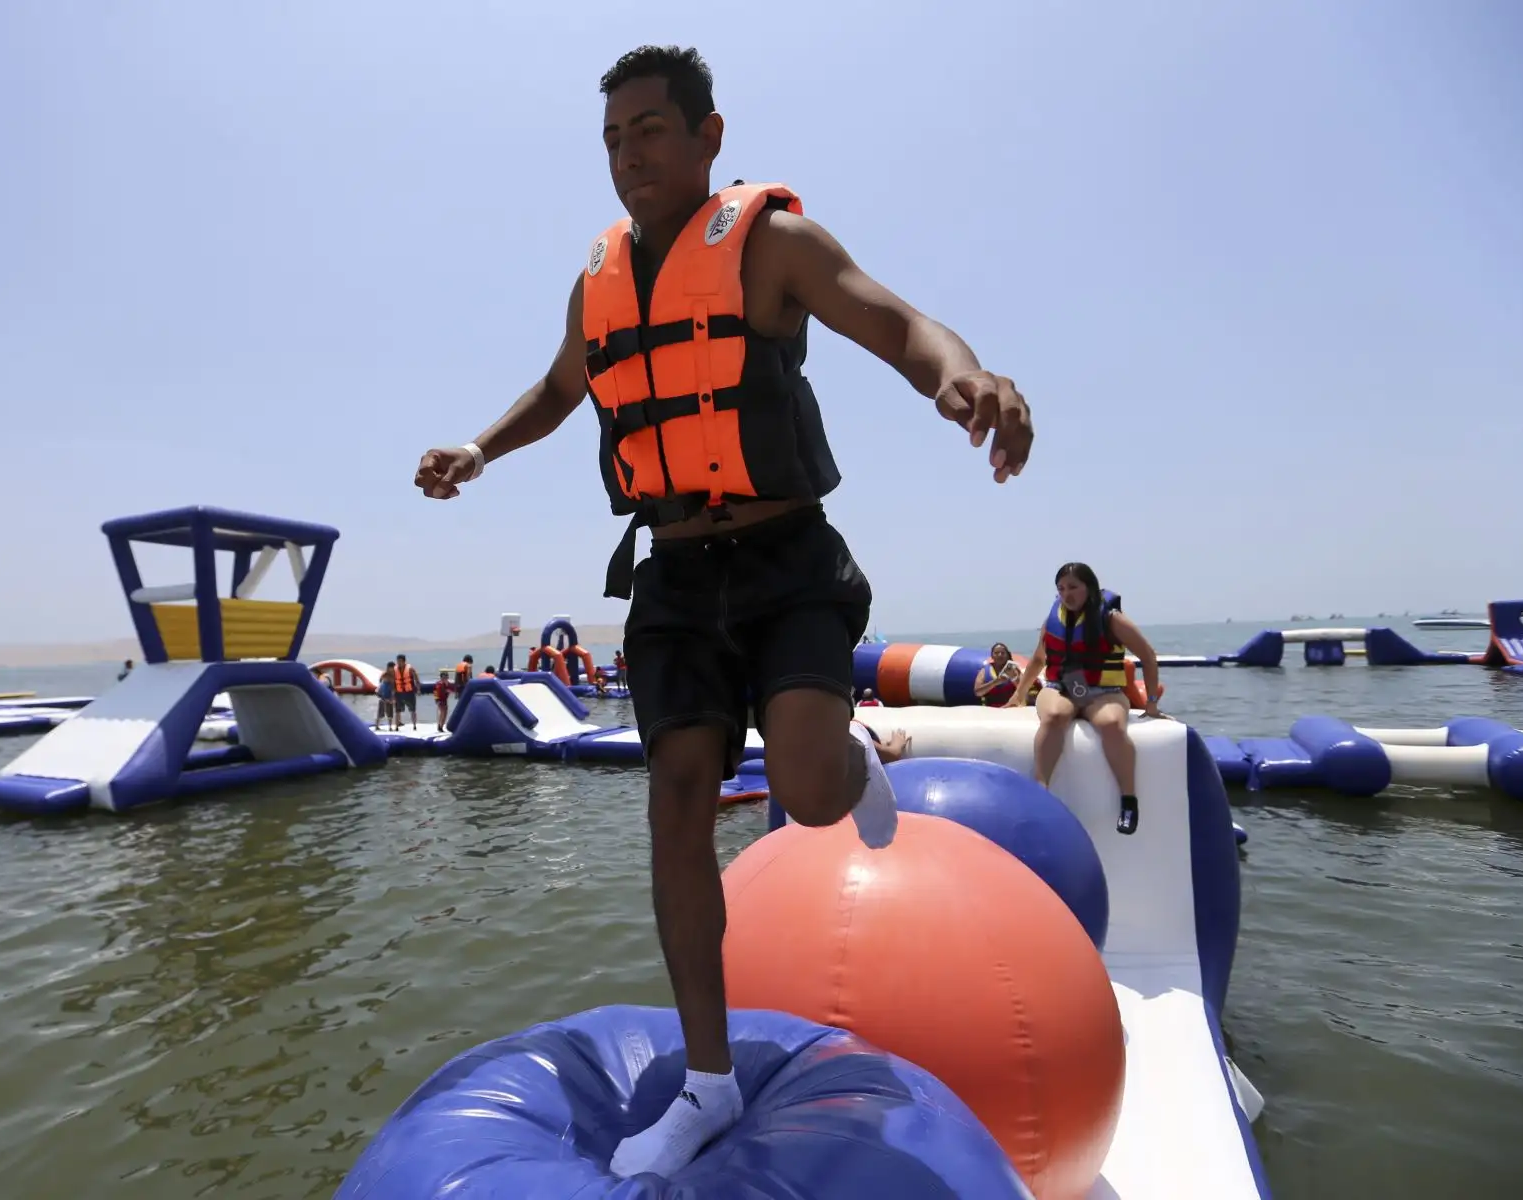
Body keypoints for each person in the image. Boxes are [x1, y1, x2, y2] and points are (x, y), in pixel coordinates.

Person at [413, 45, 1032, 1180]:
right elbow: (561, 392)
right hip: (674, 577)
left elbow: (894, 323)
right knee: (677, 809)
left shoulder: (769, 245)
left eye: (649, 129)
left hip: (788, 557)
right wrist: (477, 449)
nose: (627, 154)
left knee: (800, 787)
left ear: (709, 137)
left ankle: (847, 757)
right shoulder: (596, 277)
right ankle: (707, 1082)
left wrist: (967, 376)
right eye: (611, 138)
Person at [1010, 563, 1165, 834]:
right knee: (1055, 716)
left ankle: (1129, 800)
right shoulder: (1053, 619)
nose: (1066, 595)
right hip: (1060, 687)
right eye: (1061, 589)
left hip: (1104, 692)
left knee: (1111, 725)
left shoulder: (1111, 618)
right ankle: (1039, 792)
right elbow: (1038, 659)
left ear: (1089, 588)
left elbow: (1148, 656)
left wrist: (1151, 703)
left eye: (1073, 587)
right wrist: (1018, 695)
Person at [972, 642, 1021, 707]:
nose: (1000, 655)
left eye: (1003, 653)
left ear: (1007, 655)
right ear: (992, 656)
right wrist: (995, 682)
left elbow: (1024, 690)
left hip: (1011, 709)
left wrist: (1014, 679)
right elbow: (977, 692)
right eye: (996, 653)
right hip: (991, 710)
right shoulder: (984, 671)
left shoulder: (1015, 670)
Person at [392, 654, 420, 730]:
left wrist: (418, 689)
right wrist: (393, 693)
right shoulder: (394, 670)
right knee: (397, 710)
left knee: (412, 709)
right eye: (397, 661)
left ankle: (414, 725)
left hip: (409, 692)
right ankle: (397, 726)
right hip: (399, 692)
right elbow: (393, 681)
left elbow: (416, 679)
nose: (399, 663)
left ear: (404, 661)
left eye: (400, 661)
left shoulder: (410, 669)